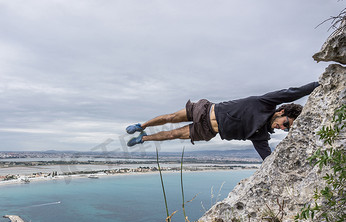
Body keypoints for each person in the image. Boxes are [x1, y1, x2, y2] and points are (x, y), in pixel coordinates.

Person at [126, 82, 319, 160]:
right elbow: (292, 92)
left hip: (208, 131)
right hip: (205, 110)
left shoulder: (261, 136)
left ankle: (143, 139)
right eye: (286, 123)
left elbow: (268, 159)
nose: (282, 128)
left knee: (172, 134)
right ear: (282, 111)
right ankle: (141, 126)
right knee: (169, 118)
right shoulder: (265, 103)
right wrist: (319, 85)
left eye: (286, 130)